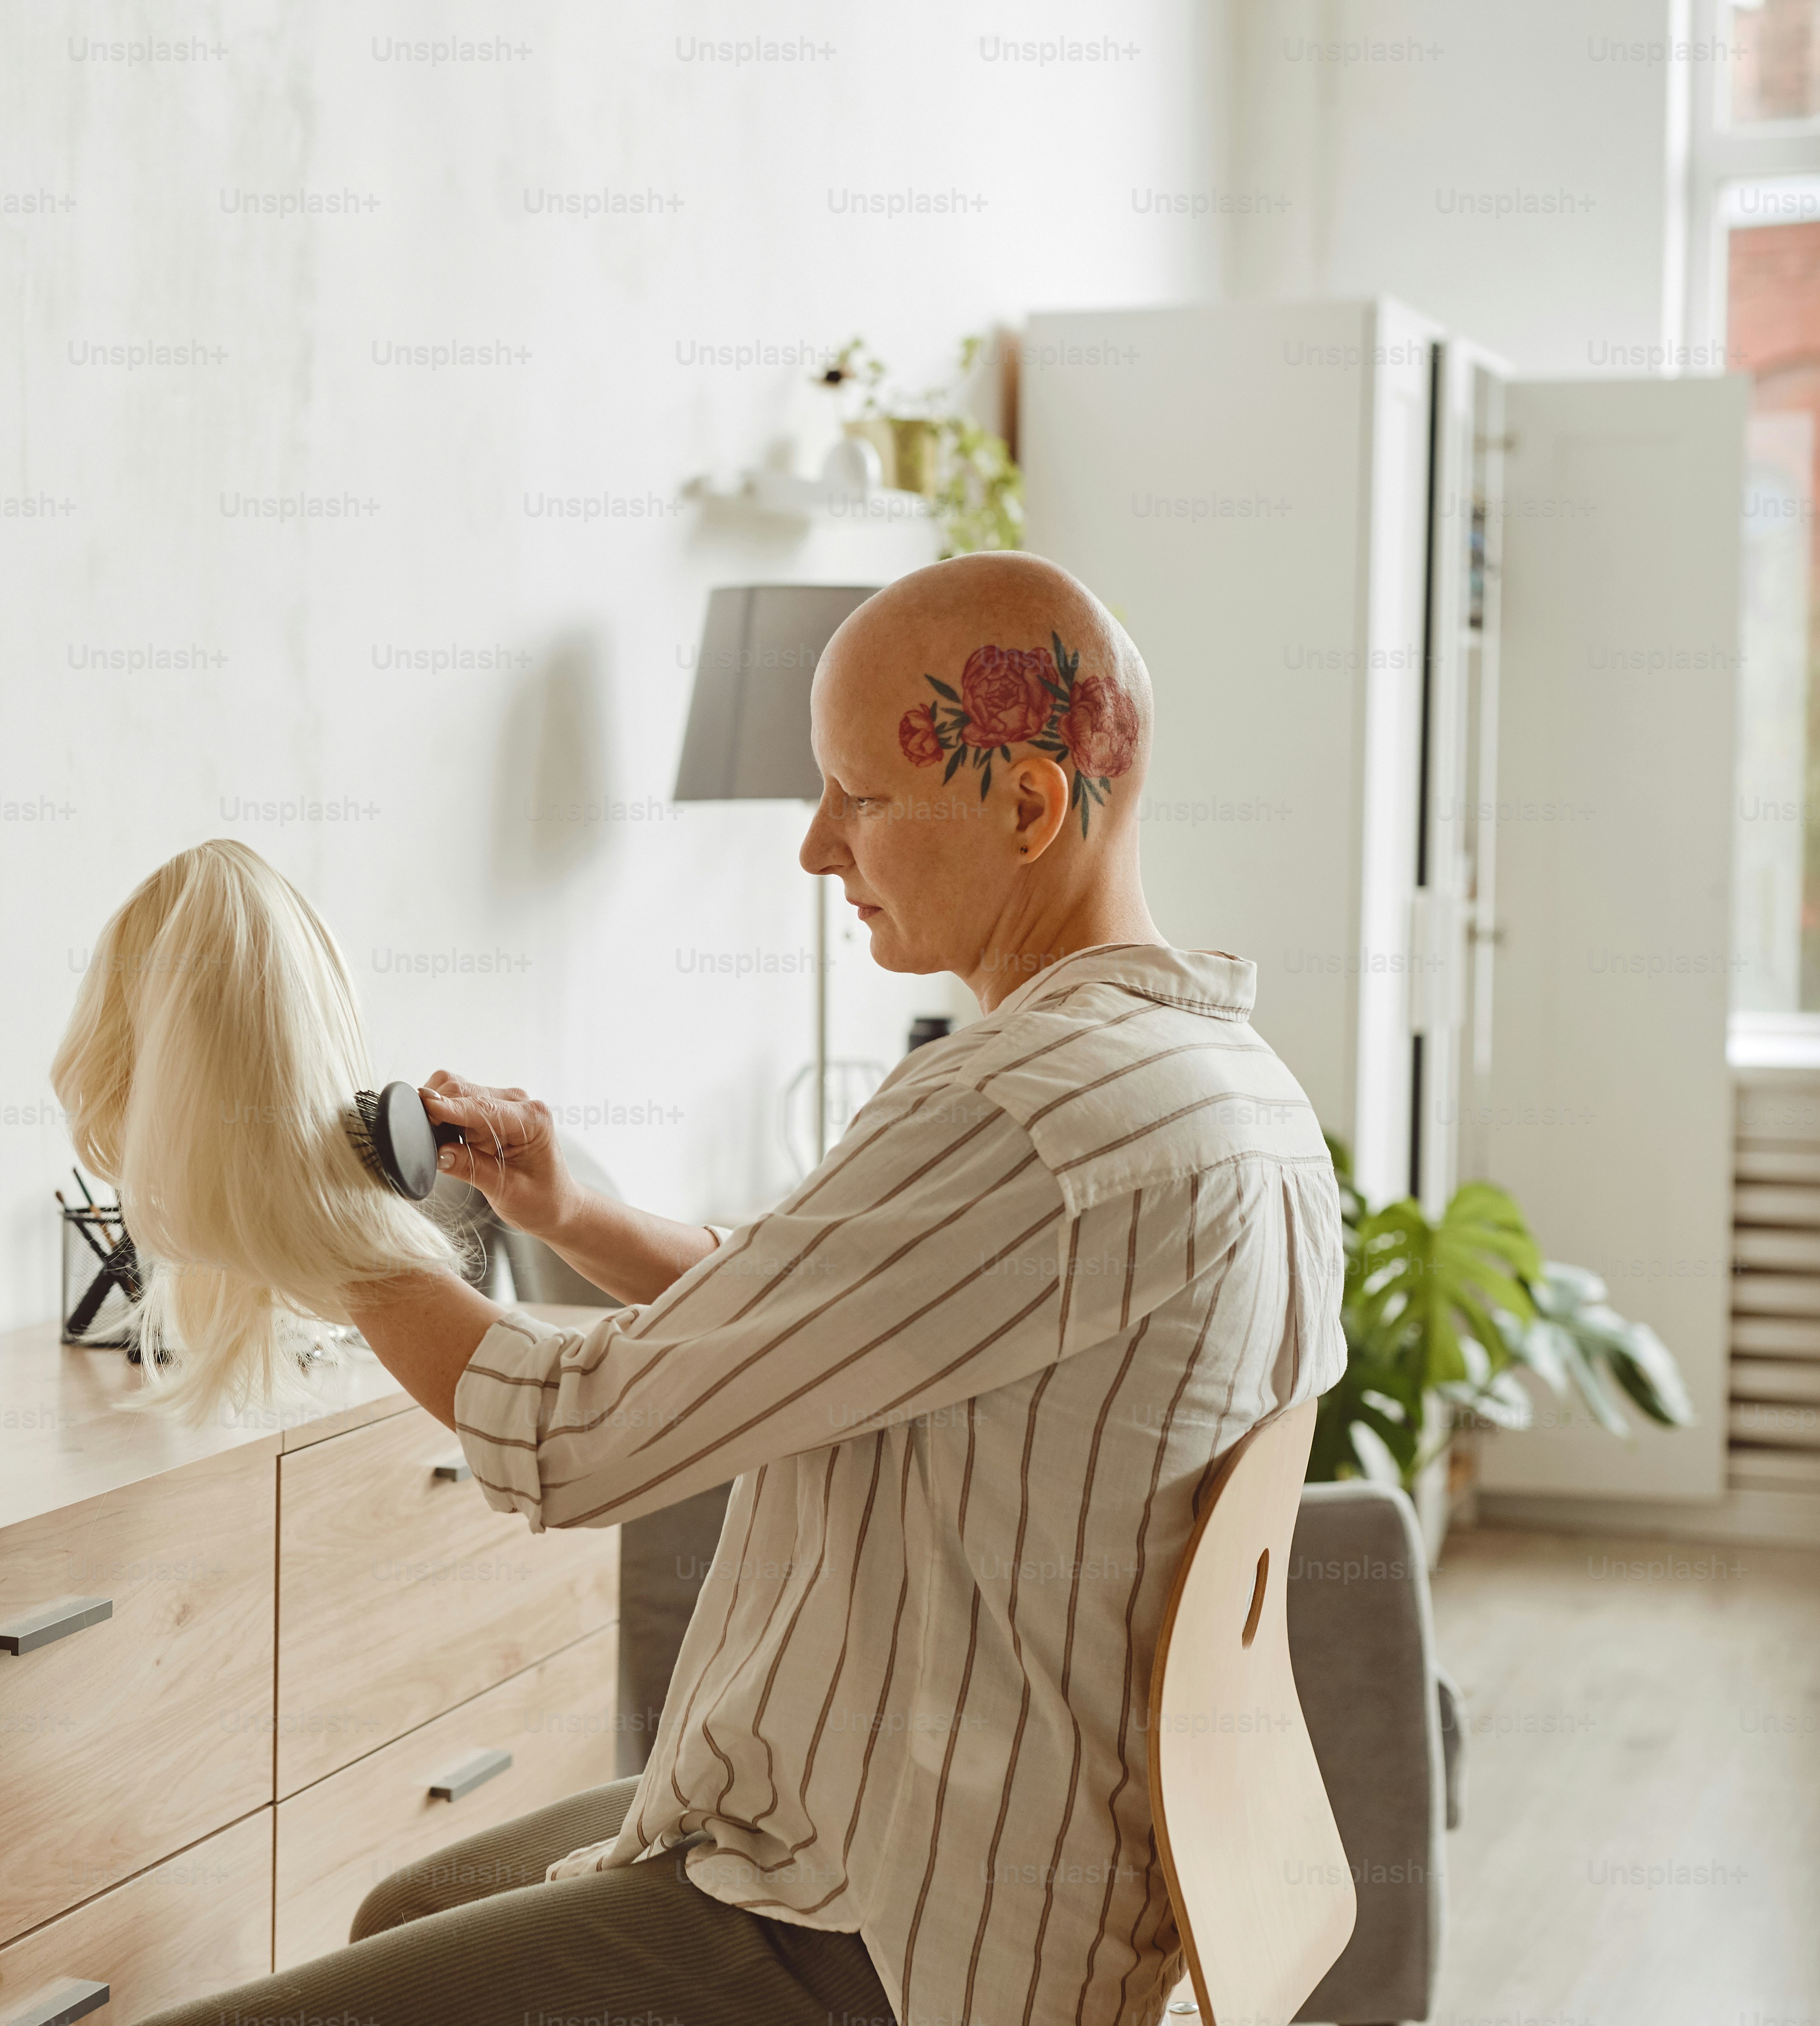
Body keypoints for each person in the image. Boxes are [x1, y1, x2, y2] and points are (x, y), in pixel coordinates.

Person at [139, 552, 1345, 2026]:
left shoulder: (1015, 1109)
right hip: (1070, 1880)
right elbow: (856, 1323)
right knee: (412, 1907)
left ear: (1028, 805)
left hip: (890, 1922)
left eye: (859, 797)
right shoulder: (1222, 1085)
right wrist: (582, 1212)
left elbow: (571, 1442)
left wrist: (310, 1223)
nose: (817, 851)